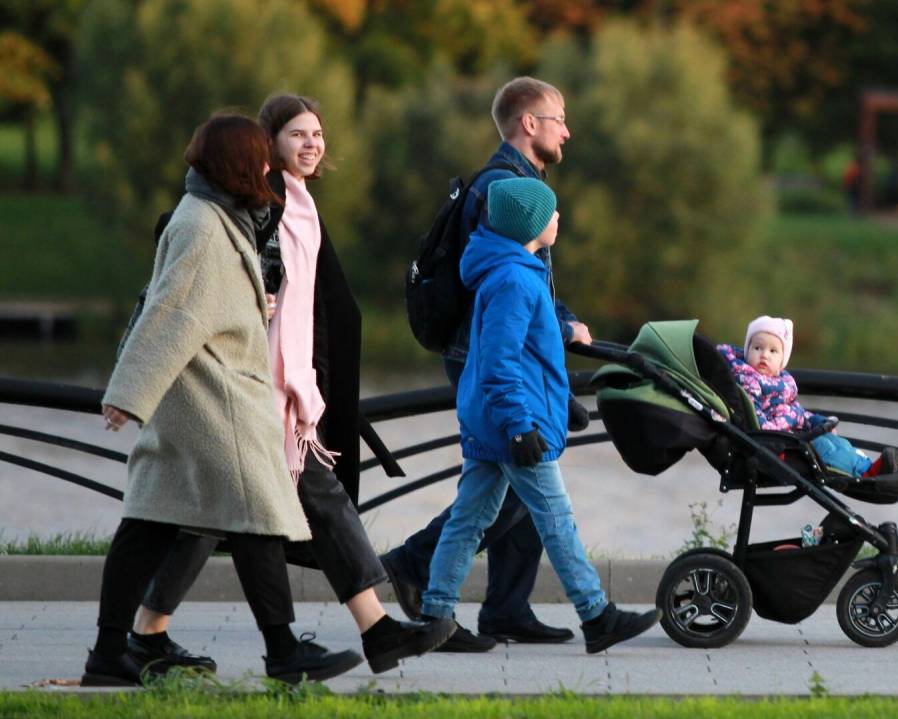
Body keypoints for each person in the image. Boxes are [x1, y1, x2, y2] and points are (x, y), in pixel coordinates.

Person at [127, 95, 455, 677]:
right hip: (252, 387)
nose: (312, 144)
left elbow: (314, 308)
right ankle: (348, 635)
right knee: (275, 510)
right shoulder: (262, 203)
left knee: (228, 517)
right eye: (298, 134)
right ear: (268, 142)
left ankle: (146, 635)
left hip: (288, 389)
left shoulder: (300, 203)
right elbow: (207, 270)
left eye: (318, 135)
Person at [84, 112, 362, 686]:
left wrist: (245, 304)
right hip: (213, 398)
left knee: (150, 525)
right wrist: (129, 394)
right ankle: (284, 654)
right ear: (240, 162)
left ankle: (111, 656)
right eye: (260, 156)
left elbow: (202, 302)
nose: (269, 166)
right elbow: (172, 313)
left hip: (204, 394)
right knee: (256, 518)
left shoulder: (214, 215)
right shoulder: (203, 226)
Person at [380, 77, 589, 651]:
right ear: (530, 123)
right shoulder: (502, 187)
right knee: (515, 478)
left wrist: (560, 319)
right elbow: (500, 285)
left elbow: (529, 277)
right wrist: (560, 325)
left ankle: (505, 607)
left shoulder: (520, 183)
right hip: (488, 358)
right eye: (559, 118)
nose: (567, 129)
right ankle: (413, 565)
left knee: (517, 480)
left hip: (502, 352)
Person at [415, 177, 661, 654]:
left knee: (469, 520)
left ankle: (435, 617)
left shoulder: (512, 271)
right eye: (551, 213)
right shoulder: (513, 279)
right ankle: (597, 615)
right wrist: (520, 426)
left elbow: (525, 345)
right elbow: (500, 362)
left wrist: (563, 360)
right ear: (530, 224)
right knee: (556, 518)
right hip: (512, 424)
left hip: (496, 420)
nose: (558, 219)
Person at [717, 316, 898, 479]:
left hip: (790, 432)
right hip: (776, 441)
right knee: (825, 448)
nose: (764, 355)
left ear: (782, 361)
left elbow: (796, 411)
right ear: (747, 350)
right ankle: (865, 473)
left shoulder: (780, 383)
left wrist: (818, 422)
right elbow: (758, 419)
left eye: (773, 351)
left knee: (836, 441)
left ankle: (869, 465)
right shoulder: (750, 381)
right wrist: (793, 430)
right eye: (757, 348)